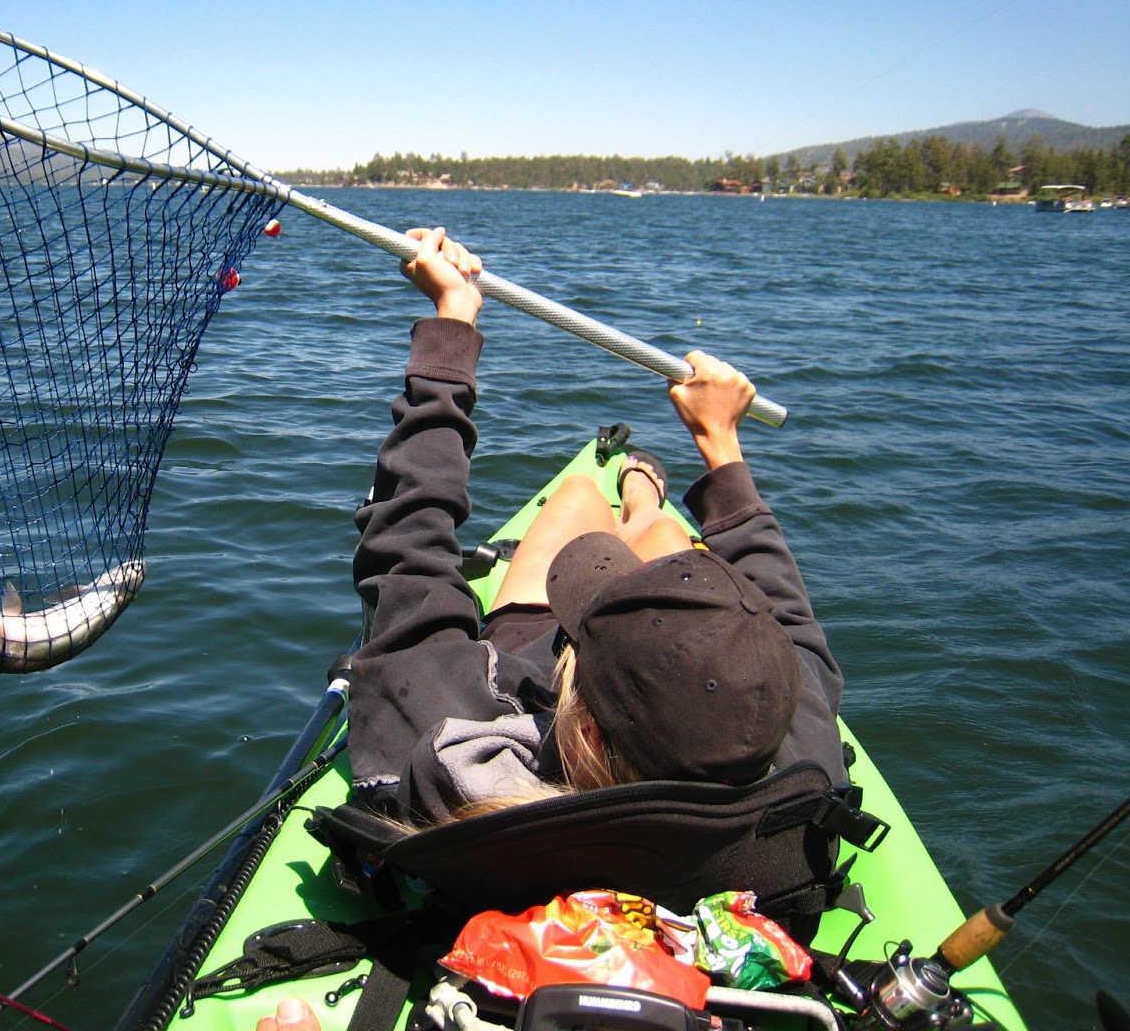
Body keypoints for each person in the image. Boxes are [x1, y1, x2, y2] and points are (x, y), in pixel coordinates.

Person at [349, 227, 844, 826]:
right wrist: (721, 442)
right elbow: (795, 627)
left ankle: (634, 499)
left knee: (580, 496)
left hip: (530, 657)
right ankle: (642, 500)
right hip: (655, 690)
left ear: (582, 727)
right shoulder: (797, 760)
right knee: (659, 534)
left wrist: (455, 314)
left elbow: (406, 538)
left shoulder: (458, 726)